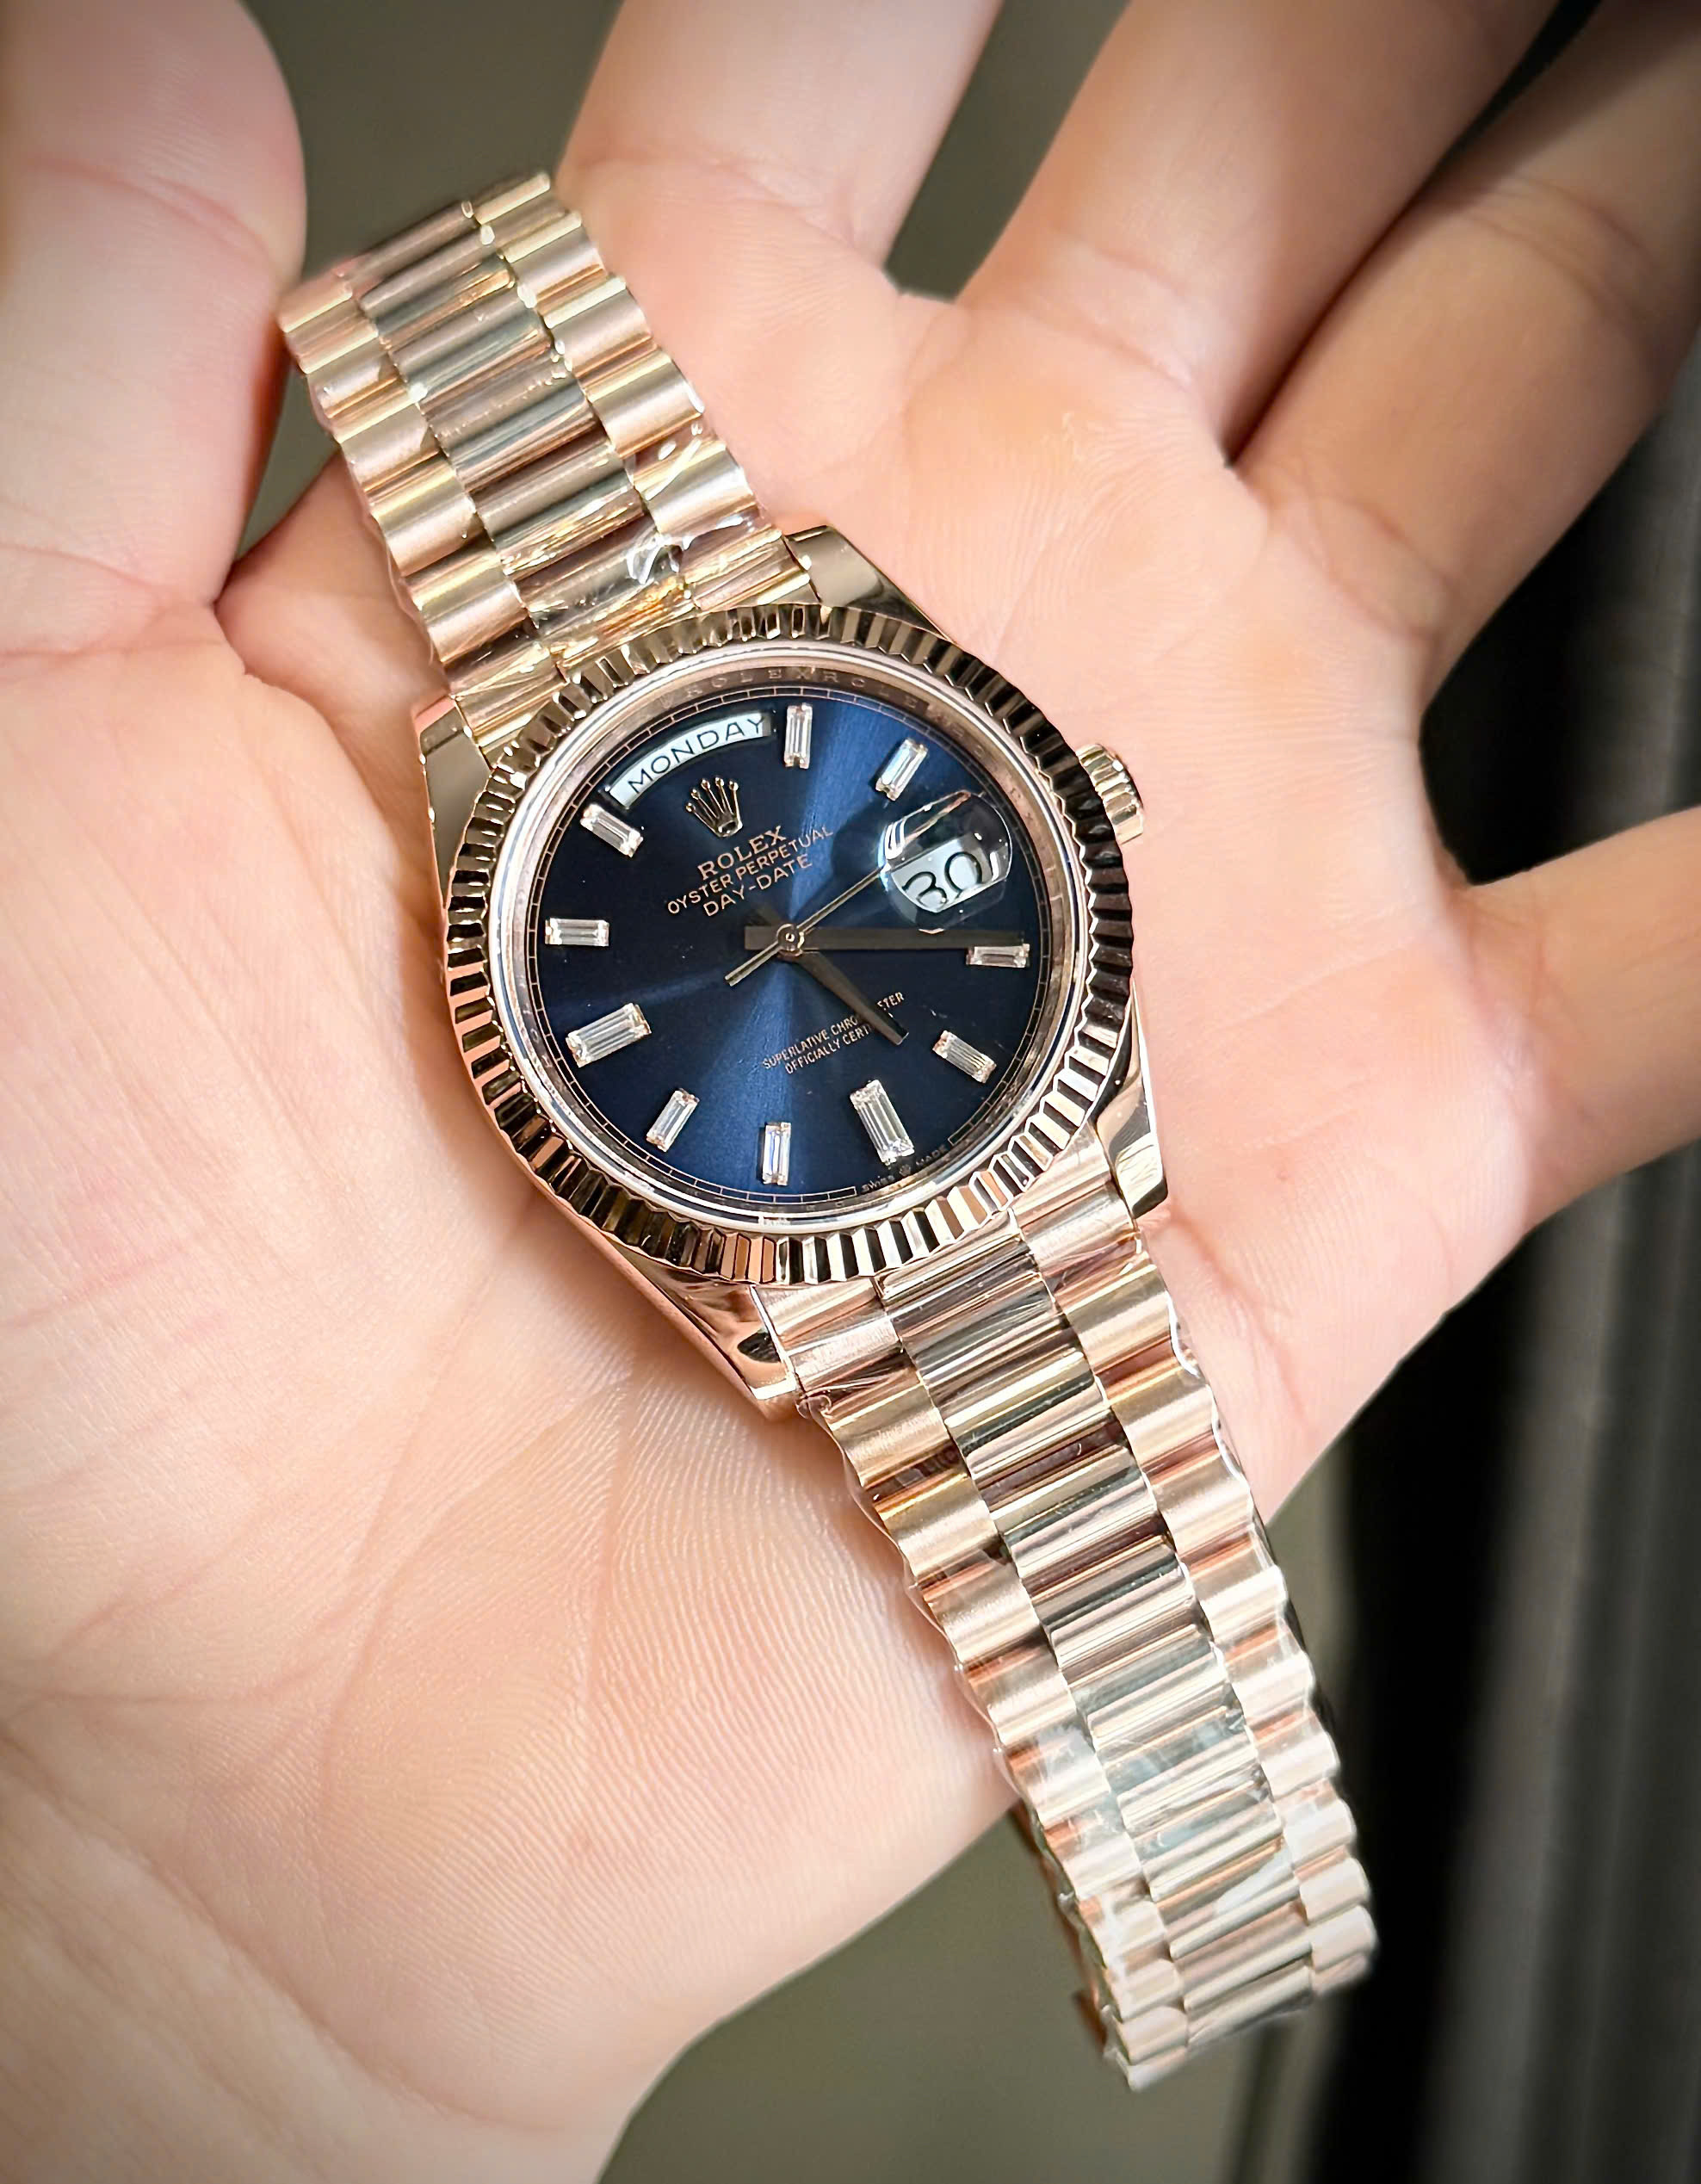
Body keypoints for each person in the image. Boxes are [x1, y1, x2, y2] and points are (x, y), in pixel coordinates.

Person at [2, 0, 1698, 2173]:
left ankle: (1234, 1911)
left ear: (1069, 807)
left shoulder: (863, 813)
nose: (781, 942)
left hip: (918, 1143)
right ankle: (1226, 1918)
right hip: (823, 1209)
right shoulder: (606, 967)